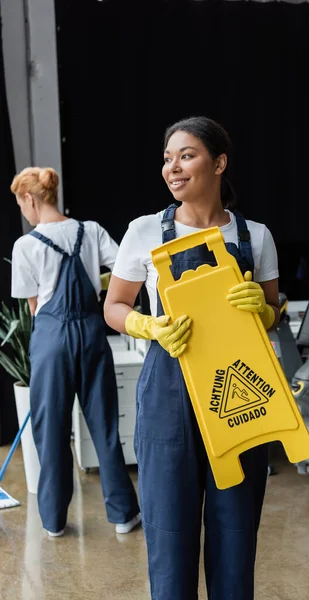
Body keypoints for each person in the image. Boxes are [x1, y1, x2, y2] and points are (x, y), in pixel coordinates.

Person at [104, 116, 279, 599]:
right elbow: (114, 306)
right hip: (168, 395)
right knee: (169, 537)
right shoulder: (144, 231)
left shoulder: (255, 236)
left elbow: (274, 312)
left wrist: (262, 310)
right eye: (167, 157)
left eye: (186, 155)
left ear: (219, 163)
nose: (172, 167)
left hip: (237, 395)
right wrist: (146, 324)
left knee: (235, 536)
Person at [10, 167, 140, 537]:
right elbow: (124, 269)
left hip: (51, 339)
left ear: (31, 200)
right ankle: (123, 516)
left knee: (50, 430)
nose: (24, 212)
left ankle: (53, 521)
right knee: (104, 424)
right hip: (92, 333)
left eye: (22, 204)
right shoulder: (92, 230)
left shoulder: (26, 245)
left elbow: (35, 307)